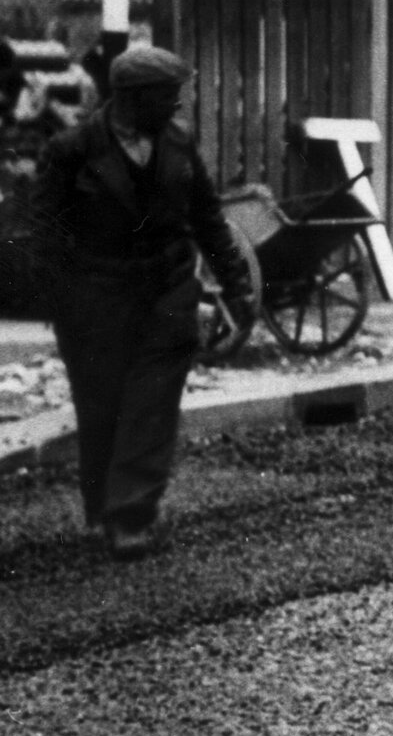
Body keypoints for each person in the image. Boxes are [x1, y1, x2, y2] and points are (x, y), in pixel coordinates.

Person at [30, 47, 256, 559]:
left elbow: (208, 220)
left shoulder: (177, 143)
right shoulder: (72, 150)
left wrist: (238, 288)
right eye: (167, 96)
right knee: (101, 406)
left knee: (151, 407)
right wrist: (61, 301)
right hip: (97, 297)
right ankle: (102, 512)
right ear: (132, 98)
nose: (177, 106)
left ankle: (131, 516)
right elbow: (44, 234)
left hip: (166, 292)